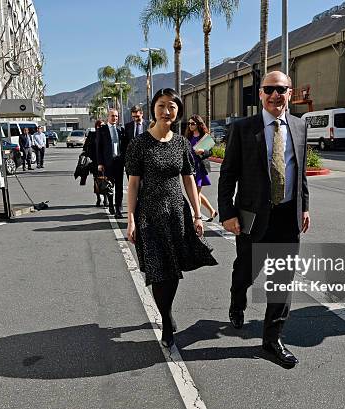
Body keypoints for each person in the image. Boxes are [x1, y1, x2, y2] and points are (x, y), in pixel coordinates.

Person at [218, 71, 310, 367]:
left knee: (281, 282)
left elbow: (300, 173)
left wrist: (304, 207)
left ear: (289, 93)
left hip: (287, 217)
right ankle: (237, 299)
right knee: (246, 272)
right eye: (269, 89)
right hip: (252, 217)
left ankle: (272, 341)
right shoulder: (243, 128)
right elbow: (228, 173)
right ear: (260, 94)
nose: (275, 95)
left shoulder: (299, 126)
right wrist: (227, 213)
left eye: (281, 89)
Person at [125, 88, 217, 347]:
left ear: (178, 112)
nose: (166, 111)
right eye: (162, 105)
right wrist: (130, 219)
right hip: (149, 215)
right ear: (153, 108)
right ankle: (166, 320)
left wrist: (198, 215)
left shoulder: (181, 144)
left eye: (172, 107)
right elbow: (133, 185)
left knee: (173, 270)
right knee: (158, 271)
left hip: (177, 213)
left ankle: (167, 311)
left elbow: (189, 179)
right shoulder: (139, 144)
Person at [184, 114, 217, 221]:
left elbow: (210, 152)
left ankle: (196, 216)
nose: (190, 126)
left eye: (192, 123)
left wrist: (203, 151)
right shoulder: (188, 136)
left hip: (200, 168)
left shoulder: (205, 136)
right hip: (190, 168)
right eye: (189, 124)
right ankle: (212, 211)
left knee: (196, 193)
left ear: (198, 124)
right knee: (196, 192)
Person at [97, 109, 129, 217]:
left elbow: (124, 146)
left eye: (116, 116)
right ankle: (110, 205)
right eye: (112, 116)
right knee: (110, 186)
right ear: (108, 117)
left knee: (119, 186)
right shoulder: (102, 130)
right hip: (107, 163)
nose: (114, 118)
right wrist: (100, 163)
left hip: (119, 162)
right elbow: (99, 148)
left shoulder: (121, 130)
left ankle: (119, 209)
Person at [85, 120, 107, 207]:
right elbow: (86, 148)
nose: (101, 127)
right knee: (97, 181)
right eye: (99, 126)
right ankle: (98, 198)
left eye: (102, 126)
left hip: (105, 162)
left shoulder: (106, 135)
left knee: (105, 180)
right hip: (95, 162)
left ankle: (105, 199)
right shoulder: (92, 135)